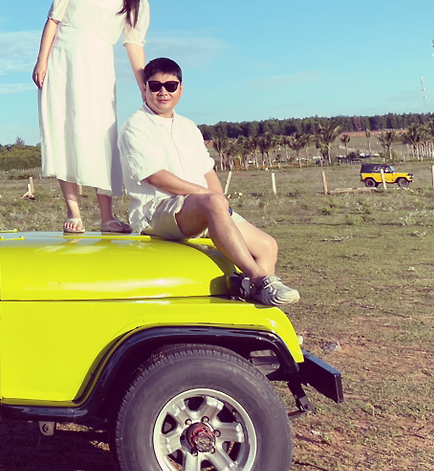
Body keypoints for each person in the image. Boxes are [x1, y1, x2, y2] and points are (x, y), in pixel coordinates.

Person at [118, 57, 300, 306]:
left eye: (170, 86)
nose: (163, 92)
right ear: (144, 88)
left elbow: (207, 171)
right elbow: (155, 176)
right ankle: (259, 279)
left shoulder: (188, 127)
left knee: (267, 246)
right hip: (157, 210)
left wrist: (220, 203)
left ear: (181, 89)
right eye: (155, 85)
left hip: (201, 207)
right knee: (213, 202)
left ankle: (253, 308)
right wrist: (209, 198)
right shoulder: (135, 126)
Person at [33, 0, 153, 234]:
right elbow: (54, 19)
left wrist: (145, 86)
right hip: (61, 62)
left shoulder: (134, 0)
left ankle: (106, 217)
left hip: (98, 68)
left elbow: (134, 45)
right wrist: (42, 60)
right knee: (62, 131)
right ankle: (73, 211)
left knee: (101, 136)